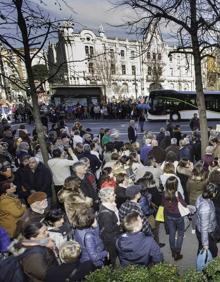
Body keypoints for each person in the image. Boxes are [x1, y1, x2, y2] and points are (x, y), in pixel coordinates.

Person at [162, 176, 187, 260]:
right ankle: (178, 252)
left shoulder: (164, 193)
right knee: (180, 233)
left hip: (169, 216)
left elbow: (163, 204)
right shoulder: (177, 194)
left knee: (172, 234)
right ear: (175, 185)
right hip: (178, 216)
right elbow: (184, 205)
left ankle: (173, 251)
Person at [98, 188, 121, 266]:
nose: (115, 195)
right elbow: (109, 229)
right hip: (111, 239)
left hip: (114, 236)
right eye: (113, 195)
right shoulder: (105, 214)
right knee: (113, 256)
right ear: (107, 198)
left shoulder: (111, 205)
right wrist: (118, 224)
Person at [195, 183, 218, 258]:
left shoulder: (201, 197)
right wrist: (205, 244)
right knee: (213, 251)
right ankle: (204, 266)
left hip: (200, 228)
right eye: (216, 192)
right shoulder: (206, 208)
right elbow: (204, 228)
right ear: (213, 193)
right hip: (207, 232)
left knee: (200, 247)